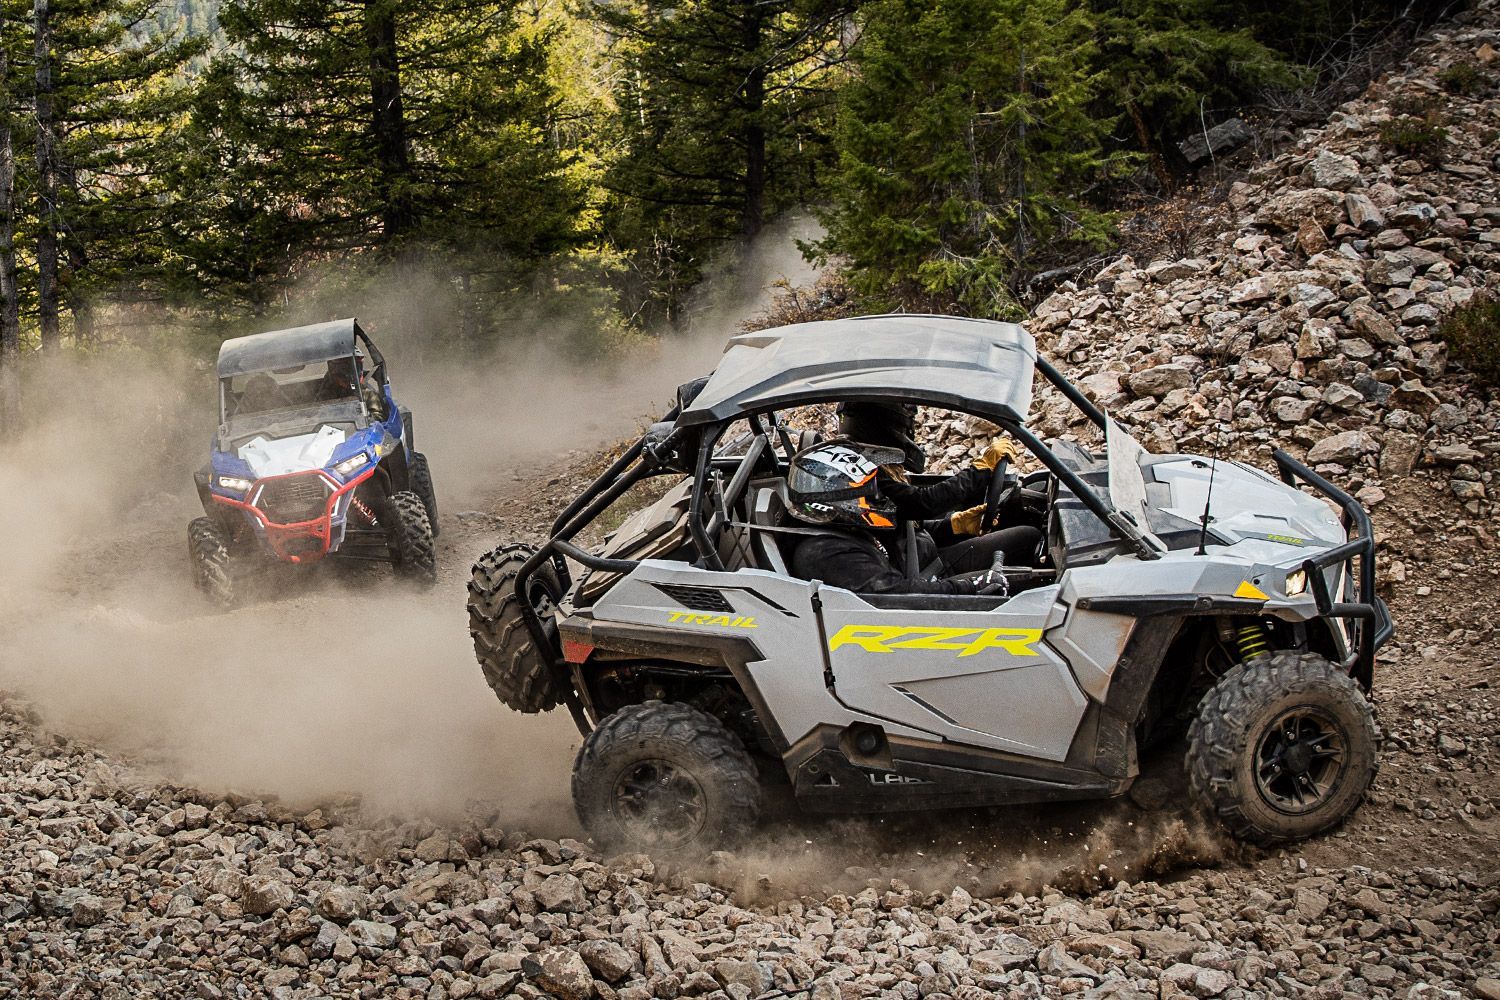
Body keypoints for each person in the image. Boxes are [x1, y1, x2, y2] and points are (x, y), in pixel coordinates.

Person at [787, 440, 1042, 596]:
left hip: (927, 567)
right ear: (842, 500)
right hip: (923, 591)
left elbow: (900, 535)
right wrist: (973, 586)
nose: (882, 500)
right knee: (1023, 587)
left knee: (1028, 536)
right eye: (872, 495)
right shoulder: (828, 554)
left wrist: (954, 525)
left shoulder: (849, 523)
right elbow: (897, 596)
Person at [836, 400, 1037, 577]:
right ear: (883, 423)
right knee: (1029, 537)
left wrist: (955, 525)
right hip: (928, 573)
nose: (909, 430)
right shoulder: (861, 473)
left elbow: (905, 525)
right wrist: (980, 470)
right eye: (906, 424)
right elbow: (922, 502)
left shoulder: (864, 463)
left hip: (923, 557)